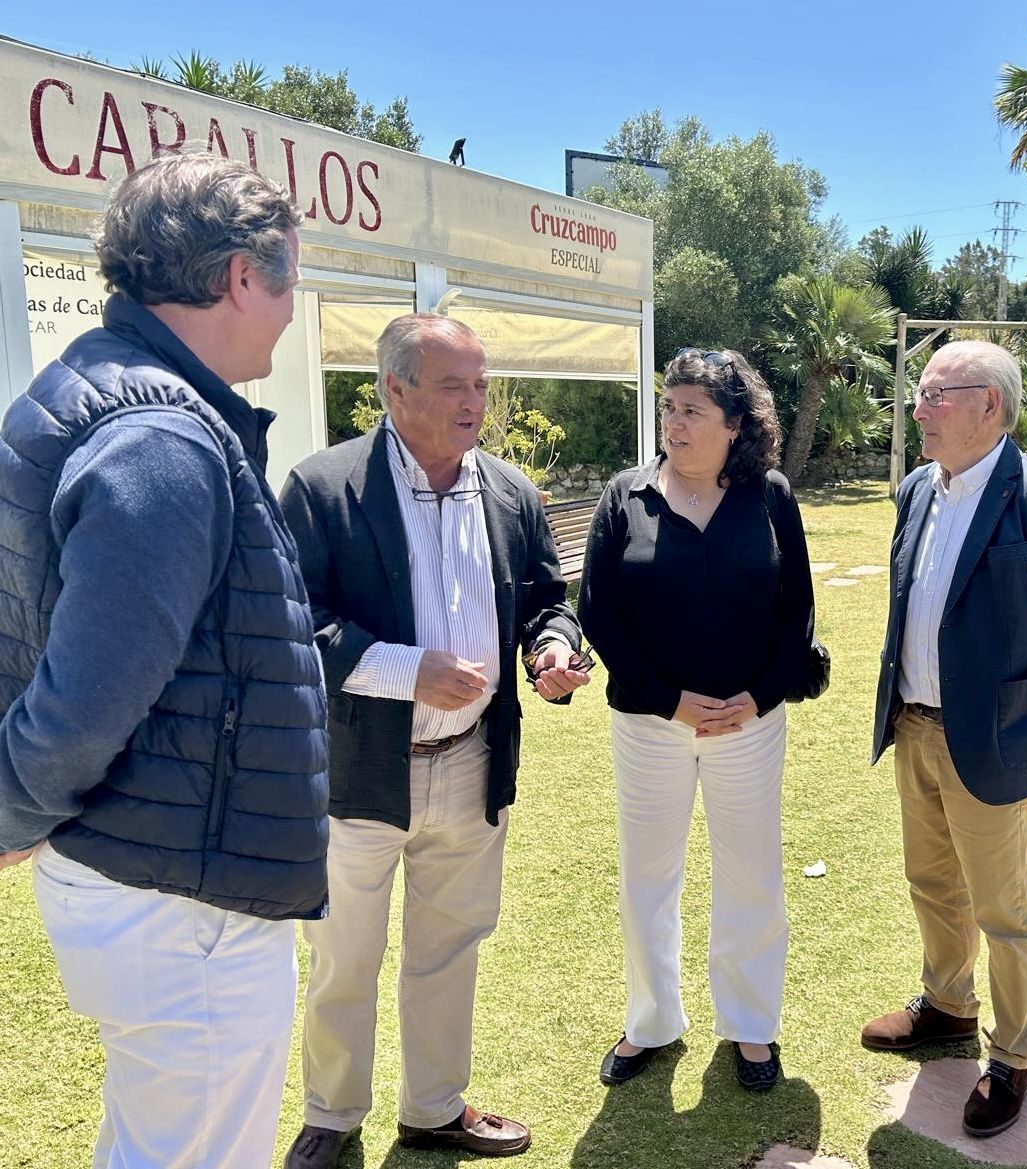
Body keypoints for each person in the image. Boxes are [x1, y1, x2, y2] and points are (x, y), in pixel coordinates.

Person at [0, 153, 328, 1168]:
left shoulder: (104, 394)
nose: (289, 308)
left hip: (154, 866)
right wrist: (12, 804)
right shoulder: (162, 436)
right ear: (241, 276)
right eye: (289, 279)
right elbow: (90, 690)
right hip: (183, 893)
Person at [278, 314, 589, 1167]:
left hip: (470, 765)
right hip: (359, 773)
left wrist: (553, 648)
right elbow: (288, 623)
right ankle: (332, 1117)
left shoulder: (510, 490)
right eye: (454, 384)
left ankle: (433, 1108)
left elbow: (545, 600)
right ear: (395, 389)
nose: (474, 402)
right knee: (343, 959)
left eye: (481, 383)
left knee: (448, 950)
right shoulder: (323, 486)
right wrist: (403, 669)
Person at [860, 340, 1027, 1138]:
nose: (917, 408)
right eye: (919, 394)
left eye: (935, 395)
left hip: (994, 746)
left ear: (987, 405)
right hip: (913, 726)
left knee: (1006, 909)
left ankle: (1013, 1053)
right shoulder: (915, 491)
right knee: (931, 883)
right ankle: (945, 1004)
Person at [579, 347, 815, 1093]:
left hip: (748, 723)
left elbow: (797, 608)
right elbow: (599, 613)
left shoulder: (770, 495)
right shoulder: (626, 495)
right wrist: (667, 698)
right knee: (648, 876)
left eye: (691, 410)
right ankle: (651, 1021)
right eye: (668, 406)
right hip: (651, 725)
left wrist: (760, 693)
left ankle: (750, 1026)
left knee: (750, 873)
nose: (672, 422)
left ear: (735, 425)